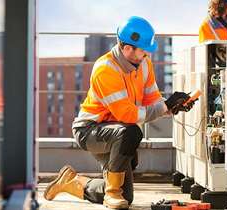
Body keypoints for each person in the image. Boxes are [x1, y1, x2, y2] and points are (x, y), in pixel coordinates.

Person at [42, 16, 195, 209]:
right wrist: (163, 108)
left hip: (117, 131)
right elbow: (127, 115)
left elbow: (152, 100)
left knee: (127, 196)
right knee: (131, 133)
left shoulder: (144, 64)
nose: (147, 53)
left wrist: (171, 106)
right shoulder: (106, 69)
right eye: (143, 49)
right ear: (127, 48)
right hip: (90, 130)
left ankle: (72, 183)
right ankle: (111, 194)